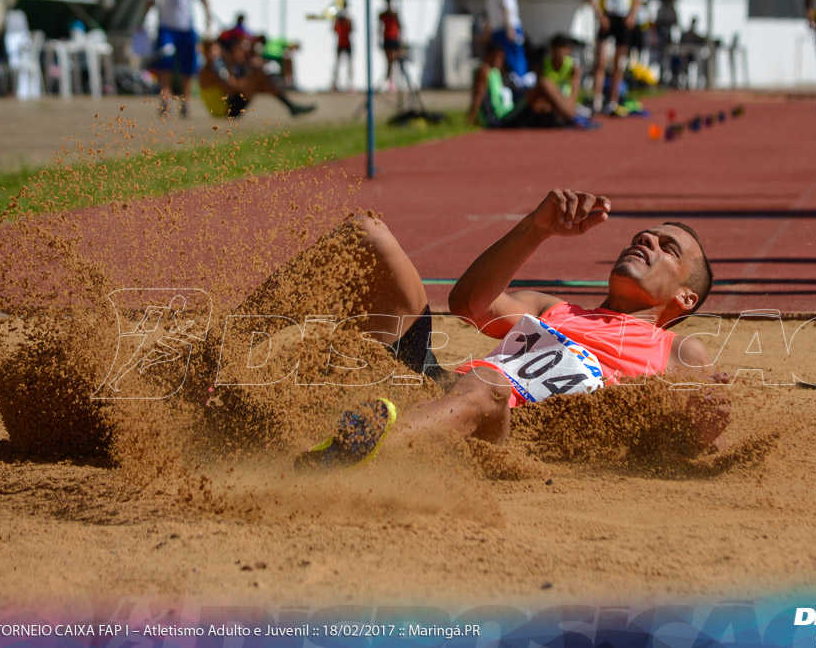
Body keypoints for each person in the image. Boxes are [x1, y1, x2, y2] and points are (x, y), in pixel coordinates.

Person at [294, 189, 729, 468]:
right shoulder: (553, 309)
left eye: (666, 247)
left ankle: (349, 460)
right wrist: (536, 229)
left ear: (685, 299)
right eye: (643, 236)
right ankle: (229, 356)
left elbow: (696, 435)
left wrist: (706, 416)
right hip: (437, 388)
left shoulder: (677, 350)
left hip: (508, 432)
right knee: (367, 233)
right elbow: (468, 306)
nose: (645, 241)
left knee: (489, 384)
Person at [467, 43, 591, 129]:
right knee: (543, 84)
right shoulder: (484, 70)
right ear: (486, 56)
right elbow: (478, 96)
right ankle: (574, 118)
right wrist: (470, 120)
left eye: (500, 57)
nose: (497, 60)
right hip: (502, 118)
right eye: (494, 56)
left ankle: (571, 117)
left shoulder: (496, 73)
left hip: (509, 113)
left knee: (544, 98)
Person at [143, 0, 212, 118]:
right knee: (164, 64)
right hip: (166, 28)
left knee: (187, 67)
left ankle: (186, 102)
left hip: (187, 28)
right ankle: (165, 100)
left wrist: (208, 16)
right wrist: (143, 19)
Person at [198, 36, 315, 119]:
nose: (214, 53)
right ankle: (291, 106)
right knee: (259, 78)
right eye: (211, 51)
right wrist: (251, 80)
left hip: (226, 109)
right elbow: (231, 87)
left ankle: (291, 106)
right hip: (224, 112)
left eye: (215, 50)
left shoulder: (217, 67)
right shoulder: (210, 71)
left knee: (261, 80)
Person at [588, 0, 641, 114]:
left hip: (623, 20)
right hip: (607, 18)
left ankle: (613, 101)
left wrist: (632, 15)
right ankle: (597, 100)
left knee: (619, 63)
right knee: (601, 61)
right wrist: (600, 15)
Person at [486, 0, 529, 82]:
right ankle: (519, 87)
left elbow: (490, 7)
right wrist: (510, 27)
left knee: (500, 60)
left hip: (497, 28)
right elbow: (506, 5)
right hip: (509, 26)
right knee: (516, 60)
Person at [379, 0, 403, 91]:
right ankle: (390, 81)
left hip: (394, 39)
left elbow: (400, 27)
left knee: (394, 61)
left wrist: (400, 39)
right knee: (389, 61)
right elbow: (380, 28)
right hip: (387, 39)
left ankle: (392, 81)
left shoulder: (394, 14)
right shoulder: (384, 15)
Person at [332, 8, 353, 92]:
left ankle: (349, 84)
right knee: (337, 64)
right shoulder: (338, 22)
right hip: (340, 44)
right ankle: (335, 83)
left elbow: (351, 30)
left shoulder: (348, 21)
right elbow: (335, 30)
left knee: (349, 65)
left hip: (347, 44)